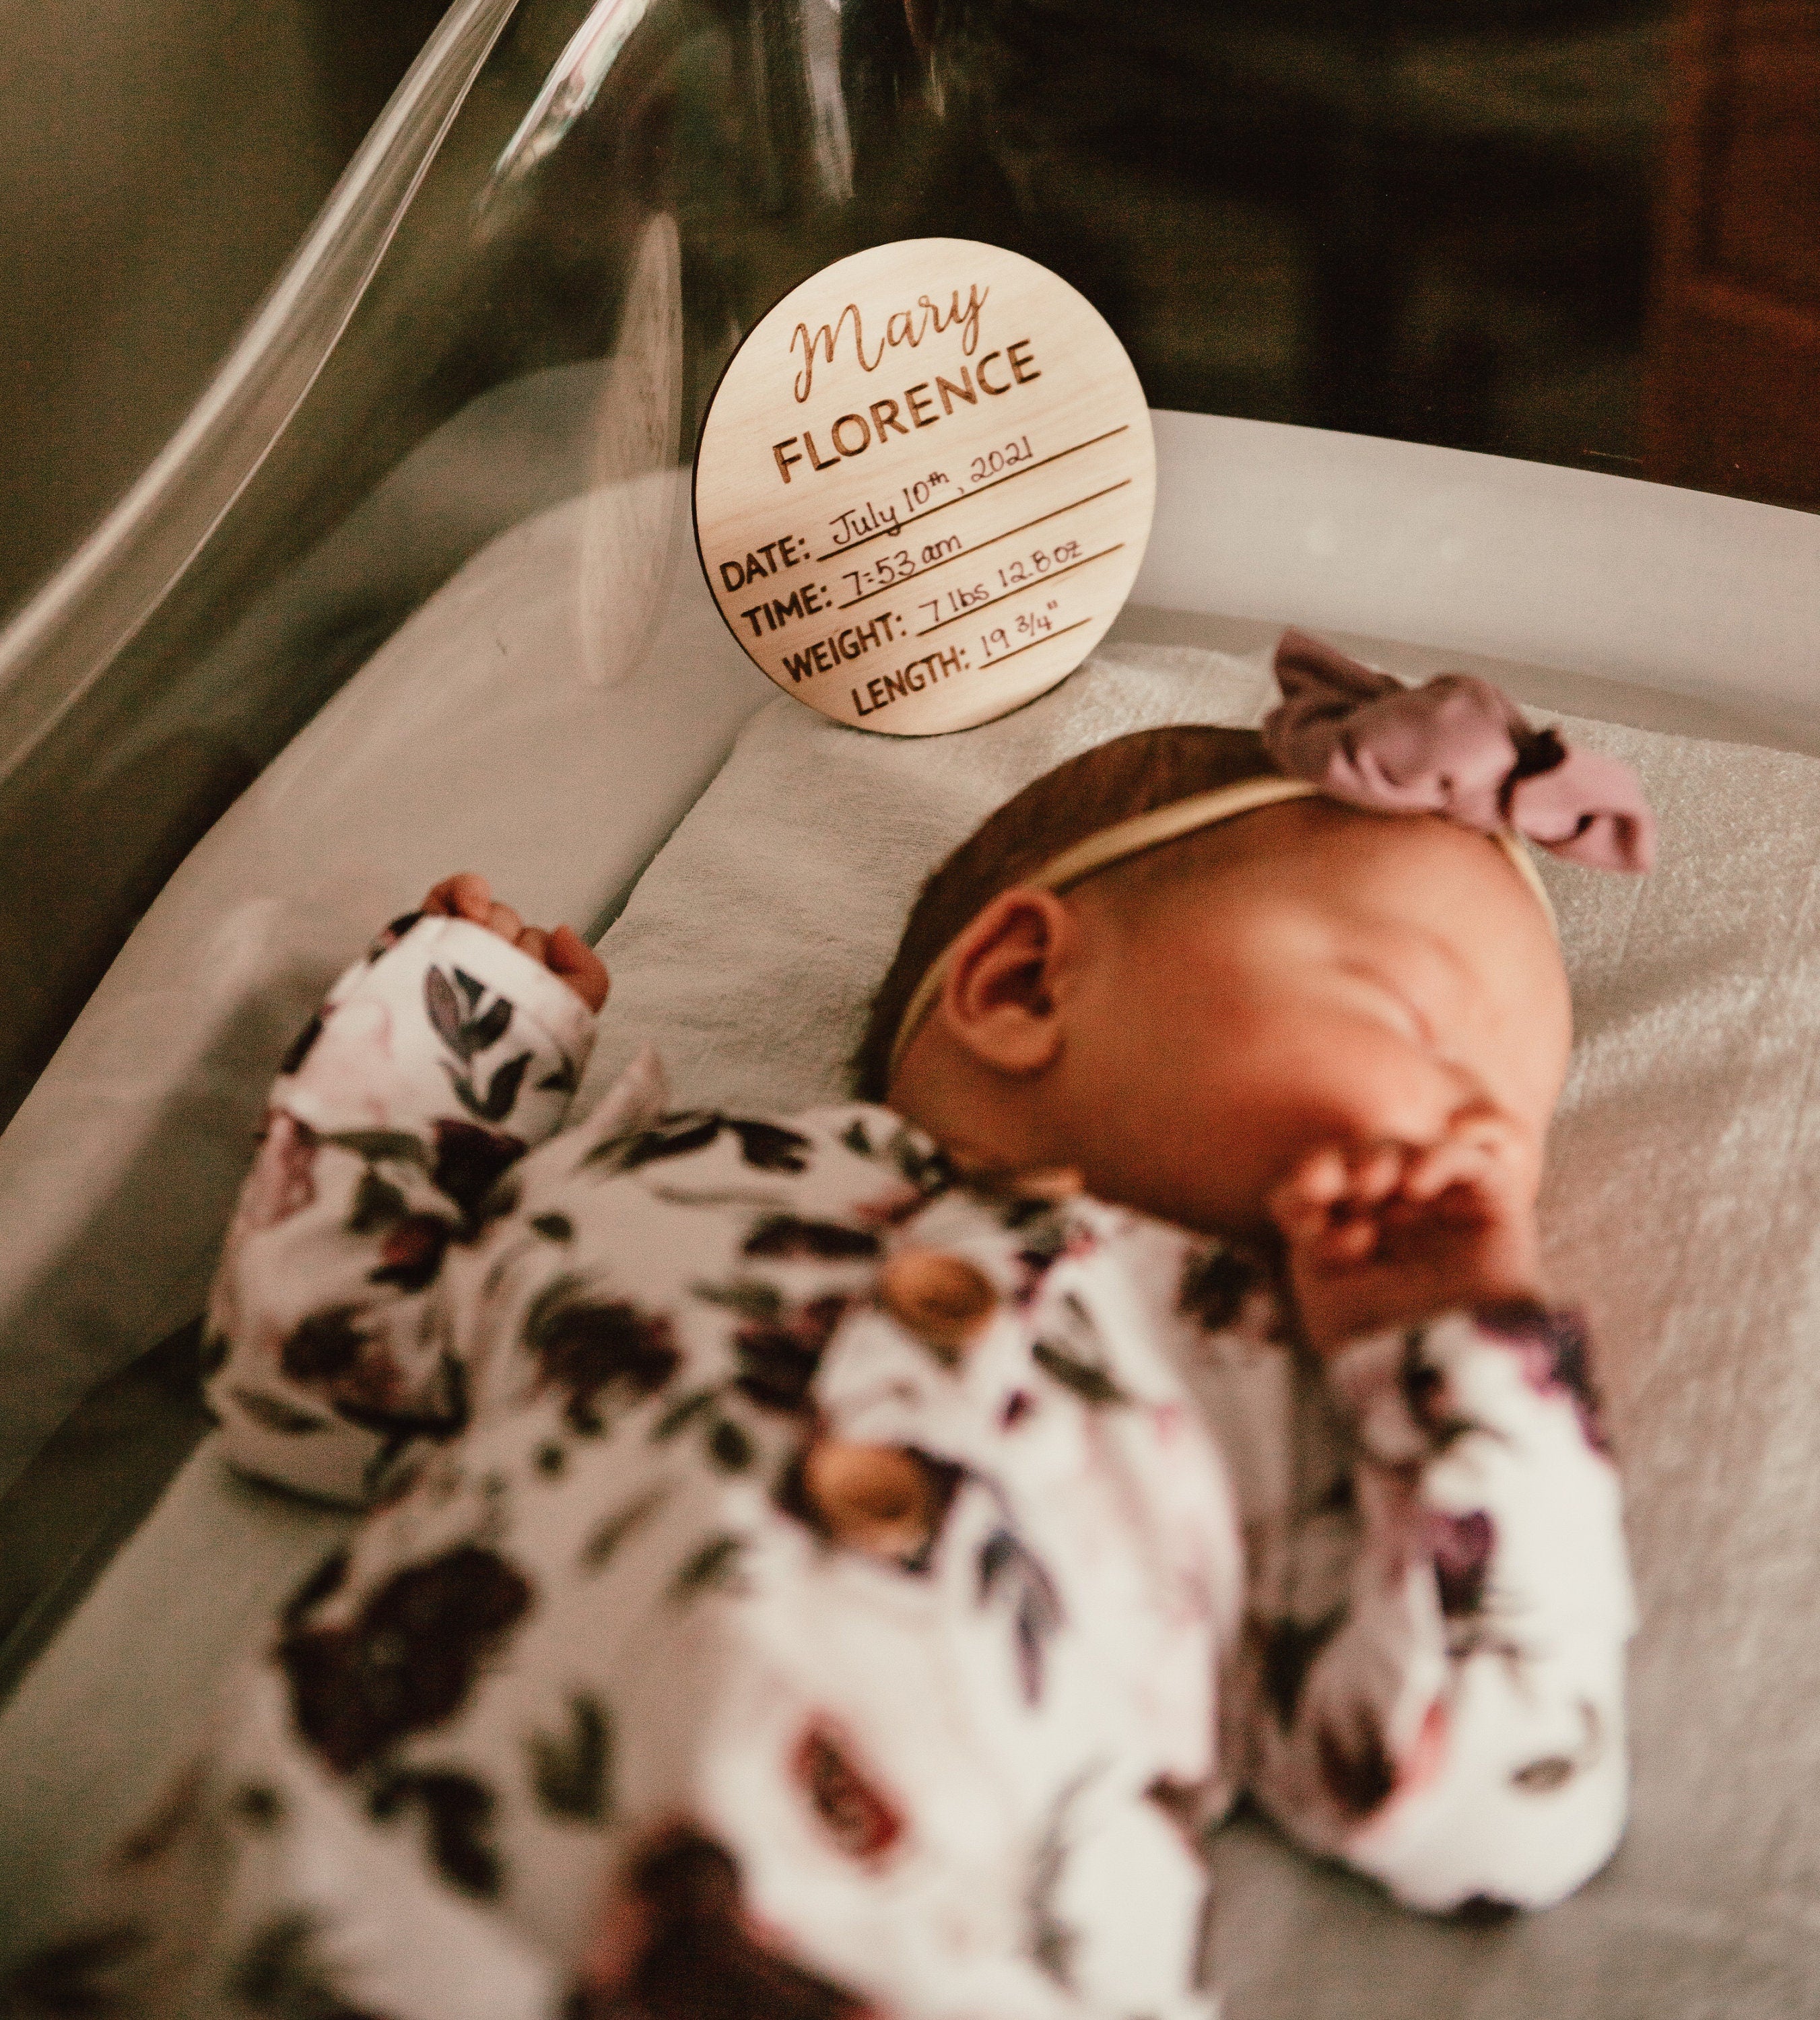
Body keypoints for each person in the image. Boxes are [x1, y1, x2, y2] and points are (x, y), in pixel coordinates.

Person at [11, 632, 1648, 2020]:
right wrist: (457, 1046)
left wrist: (1460, 1359)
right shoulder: (660, 1181)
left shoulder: (1293, 1409)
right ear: (1019, 987)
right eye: (1415, 1023)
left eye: (1511, 1126)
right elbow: (307, 1370)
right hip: (322, 1925)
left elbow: (1493, 1812)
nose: (1474, 1135)